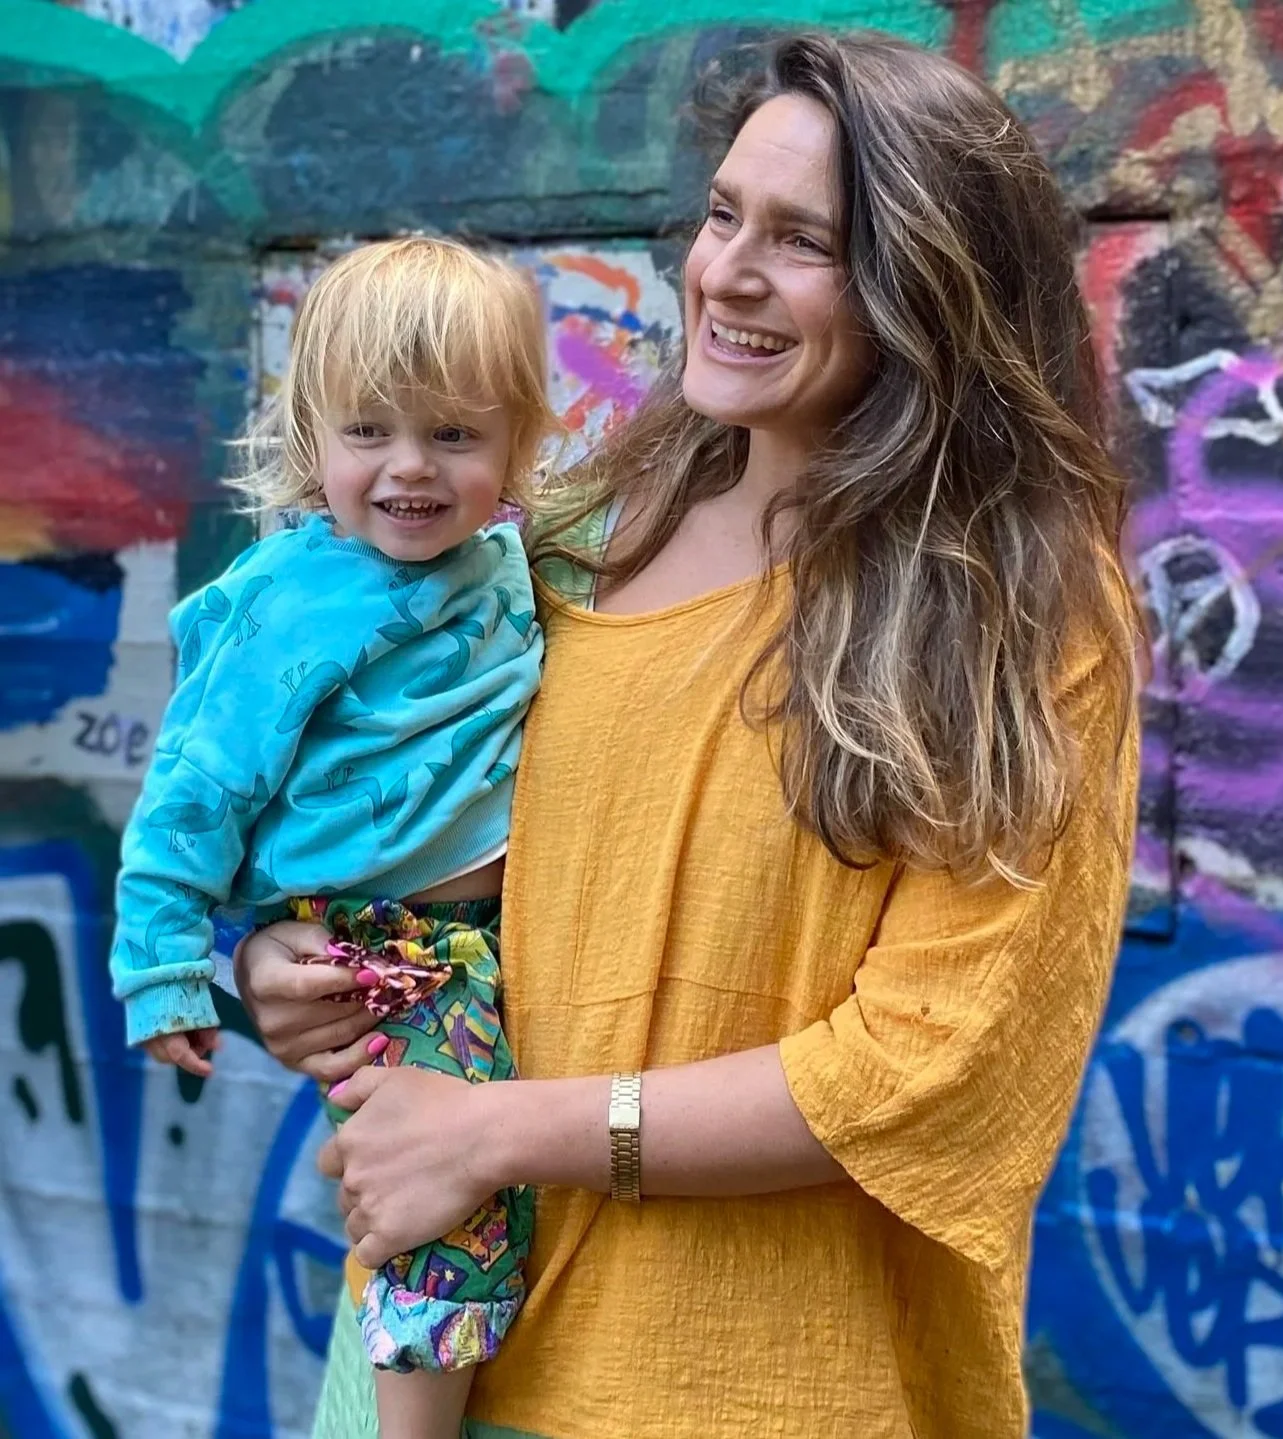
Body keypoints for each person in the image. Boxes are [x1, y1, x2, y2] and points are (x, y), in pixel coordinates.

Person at [236, 32, 1141, 1439]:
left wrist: (497, 1131)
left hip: (761, 1391)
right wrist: (297, 960)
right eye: (721, 214)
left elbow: (922, 1062)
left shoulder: (1020, 609)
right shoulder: (559, 542)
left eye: (803, 242)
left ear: (930, 280)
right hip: (444, 1355)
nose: (723, 270)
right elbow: (417, 854)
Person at [108, 236, 556, 1439]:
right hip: (390, 945)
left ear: (517, 442)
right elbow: (191, 790)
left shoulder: (513, 560)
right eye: (370, 432)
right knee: (446, 1203)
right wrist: (165, 965)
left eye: (454, 436)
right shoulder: (292, 601)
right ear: (313, 438)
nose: (409, 468)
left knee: (473, 1187)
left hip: (497, 939)